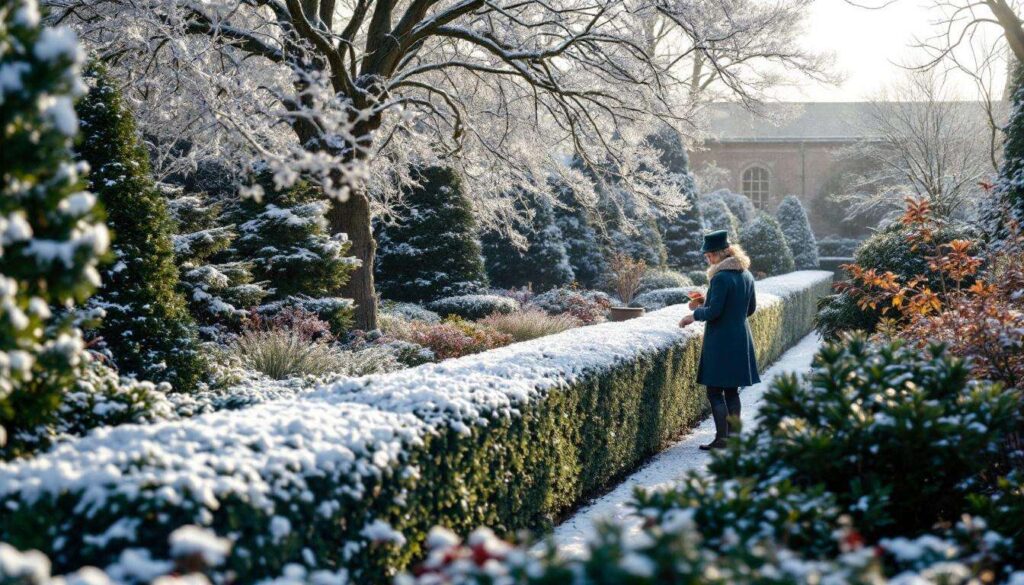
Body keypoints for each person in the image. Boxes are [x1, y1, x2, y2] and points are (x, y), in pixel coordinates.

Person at [678, 230, 759, 451]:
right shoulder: (746, 275)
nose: (707, 259)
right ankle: (733, 439)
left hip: (721, 341)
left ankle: (722, 440)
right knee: (732, 391)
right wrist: (705, 301)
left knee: (714, 391)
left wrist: (692, 315)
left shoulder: (720, 277)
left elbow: (714, 312)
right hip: (741, 338)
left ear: (720, 254)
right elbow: (749, 309)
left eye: (709, 255)